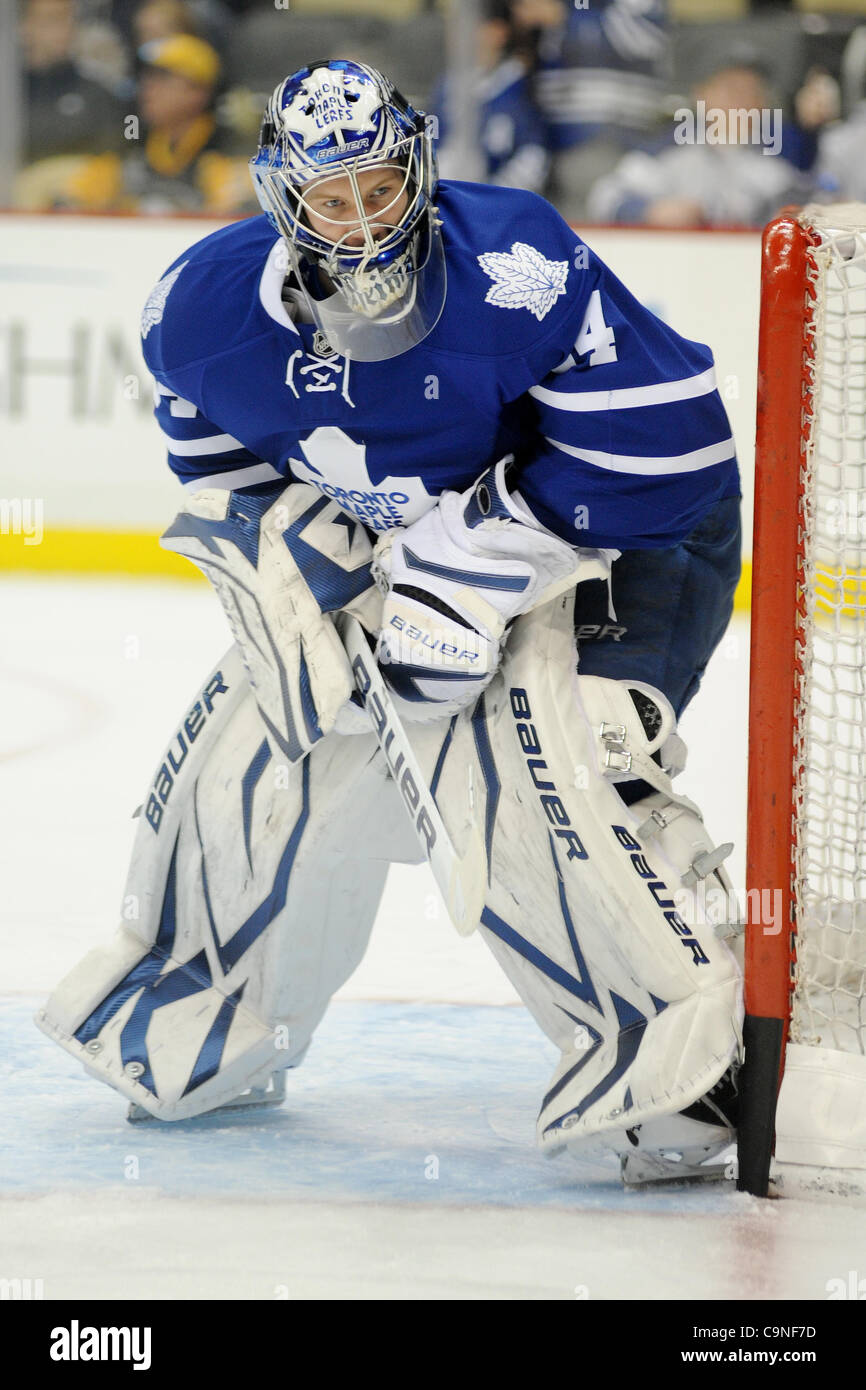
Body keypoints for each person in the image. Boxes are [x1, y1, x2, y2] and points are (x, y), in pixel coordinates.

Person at [38, 60, 743, 1186]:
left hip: (630, 534)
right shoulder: (199, 316)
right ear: (284, 199)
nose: (363, 220)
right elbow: (237, 482)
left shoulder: (513, 262)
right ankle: (209, 1025)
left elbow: (673, 455)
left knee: (558, 752)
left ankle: (680, 1053)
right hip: (410, 549)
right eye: (332, 197)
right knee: (264, 750)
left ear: (416, 164)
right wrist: (304, 580)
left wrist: (478, 557)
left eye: (380, 185)